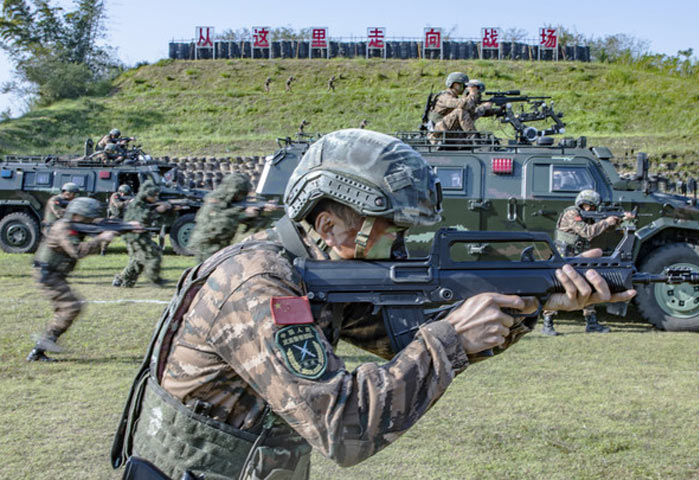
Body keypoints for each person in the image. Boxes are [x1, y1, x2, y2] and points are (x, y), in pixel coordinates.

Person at [112, 129, 635, 479]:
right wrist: (452, 338)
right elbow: (345, 429)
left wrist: (538, 298)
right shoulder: (260, 286)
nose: (403, 244)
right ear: (329, 225)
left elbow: (401, 337)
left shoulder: (313, 273)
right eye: (394, 227)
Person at [27, 198, 119, 362]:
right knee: (70, 307)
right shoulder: (63, 228)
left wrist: (127, 226)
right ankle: (40, 348)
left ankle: (41, 347)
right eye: (87, 218)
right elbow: (77, 251)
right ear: (77, 215)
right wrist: (101, 239)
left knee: (69, 308)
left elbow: (98, 223)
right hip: (47, 274)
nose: (90, 221)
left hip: (53, 273)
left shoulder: (74, 224)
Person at [541, 189, 636, 335]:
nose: (593, 209)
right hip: (564, 255)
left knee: (589, 285)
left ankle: (591, 322)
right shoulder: (572, 213)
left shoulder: (585, 216)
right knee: (559, 287)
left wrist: (620, 219)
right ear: (585, 203)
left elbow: (604, 229)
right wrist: (606, 221)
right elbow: (587, 232)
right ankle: (547, 324)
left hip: (578, 255)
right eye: (591, 206)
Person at [187, 172, 276, 263]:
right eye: (239, 194)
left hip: (221, 245)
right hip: (207, 246)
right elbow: (218, 225)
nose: (240, 197)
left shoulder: (232, 205)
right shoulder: (215, 202)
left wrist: (263, 213)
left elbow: (251, 227)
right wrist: (244, 214)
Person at [112, 181, 178, 288]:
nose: (156, 198)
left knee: (139, 259)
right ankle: (152, 279)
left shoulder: (145, 203)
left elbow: (162, 220)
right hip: (133, 235)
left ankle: (123, 280)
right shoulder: (136, 204)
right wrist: (157, 210)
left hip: (140, 234)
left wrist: (171, 210)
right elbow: (141, 218)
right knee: (148, 256)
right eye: (154, 195)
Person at [428, 72, 491, 143]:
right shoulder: (444, 97)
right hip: (438, 133)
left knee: (465, 112)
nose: (465, 88)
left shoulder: (454, 97)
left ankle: (474, 138)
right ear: (455, 85)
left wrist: (490, 109)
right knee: (460, 111)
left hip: (447, 130)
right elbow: (462, 105)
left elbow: (471, 114)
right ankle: (474, 138)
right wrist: (472, 94)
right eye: (462, 85)